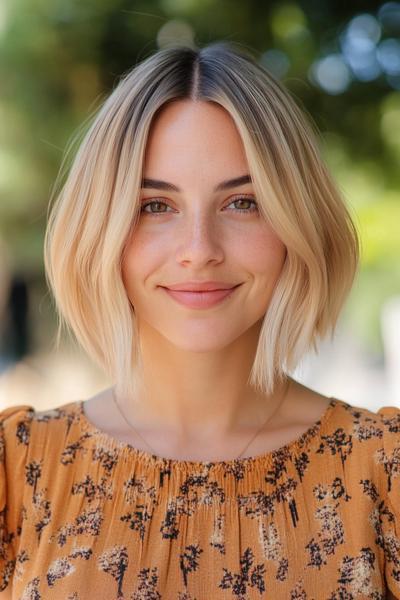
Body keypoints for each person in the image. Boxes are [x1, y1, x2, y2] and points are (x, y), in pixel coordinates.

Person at [1, 41, 399, 599]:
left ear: (296, 221)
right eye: (155, 206)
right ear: (100, 227)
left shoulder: (385, 474)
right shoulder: (17, 473)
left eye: (243, 202)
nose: (199, 249)